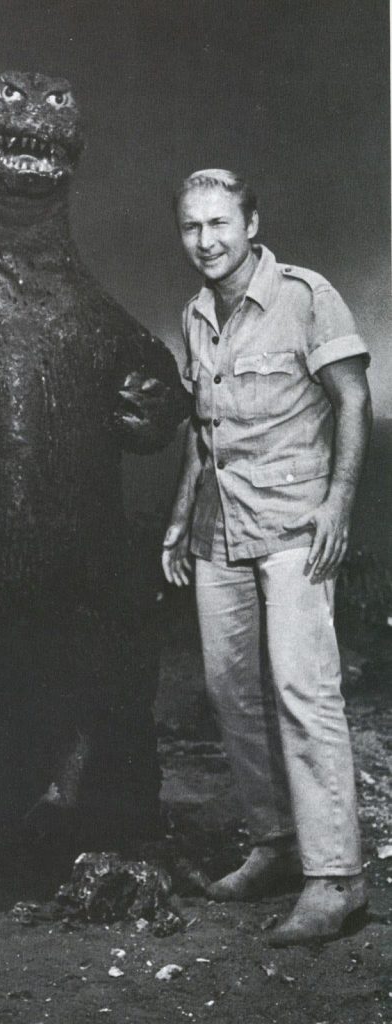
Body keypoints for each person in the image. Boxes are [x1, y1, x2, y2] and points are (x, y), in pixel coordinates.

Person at [162, 169, 372, 946]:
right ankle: (277, 845)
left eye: (220, 223)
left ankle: (336, 879)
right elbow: (203, 429)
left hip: (294, 525)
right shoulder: (194, 314)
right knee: (231, 695)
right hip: (220, 530)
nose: (206, 240)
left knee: (302, 691)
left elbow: (353, 398)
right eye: (192, 226)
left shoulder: (307, 297)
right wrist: (178, 519)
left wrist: (339, 504)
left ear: (251, 222)